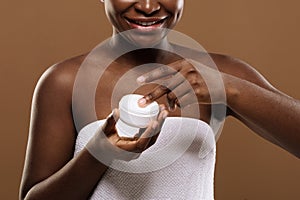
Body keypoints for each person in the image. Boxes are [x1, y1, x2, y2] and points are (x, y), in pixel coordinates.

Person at [19, 0, 300, 199]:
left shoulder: (220, 72)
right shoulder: (64, 81)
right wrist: (100, 153)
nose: (148, 6)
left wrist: (228, 88)